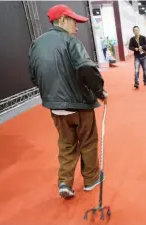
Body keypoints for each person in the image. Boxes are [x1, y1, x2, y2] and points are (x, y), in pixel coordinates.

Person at [28, 4, 108, 199]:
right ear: (62, 19)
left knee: (66, 144)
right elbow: (86, 68)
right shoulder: (70, 42)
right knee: (88, 141)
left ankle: (65, 181)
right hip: (79, 104)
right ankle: (91, 179)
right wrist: (99, 91)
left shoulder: (36, 45)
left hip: (55, 107)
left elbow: (33, 75)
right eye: (74, 21)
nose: (77, 26)